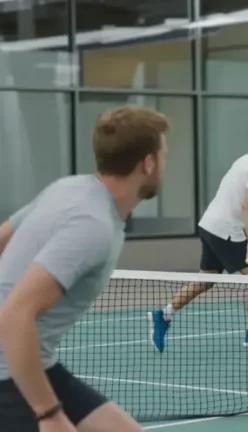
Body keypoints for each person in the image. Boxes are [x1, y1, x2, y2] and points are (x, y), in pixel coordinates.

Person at [0, 105, 169, 431]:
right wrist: (48, 414)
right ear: (148, 164)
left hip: (37, 363)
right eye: (163, 155)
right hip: (8, 375)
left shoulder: (69, 188)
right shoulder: (92, 227)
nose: (165, 163)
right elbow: (13, 314)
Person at [149, 129, 248, 352]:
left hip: (209, 225)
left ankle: (163, 315)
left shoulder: (246, 160)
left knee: (206, 280)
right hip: (225, 231)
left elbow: (237, 199)